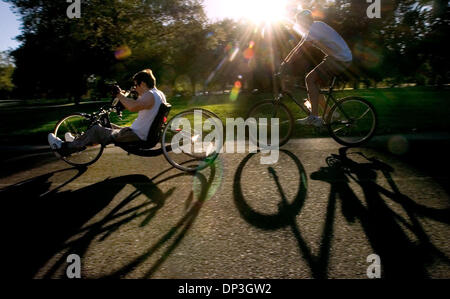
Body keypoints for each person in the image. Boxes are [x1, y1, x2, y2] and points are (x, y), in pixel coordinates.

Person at [48, 69, 168, 157]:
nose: (135, 88)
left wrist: (119, 95)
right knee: (107, 128)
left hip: (136, 136)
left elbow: (132, 107)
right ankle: (76, 143)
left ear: (143, 83)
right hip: (136, 132)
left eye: (136, 85)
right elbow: (137, 104)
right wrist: (123, 97)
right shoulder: (158, 94)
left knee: (96, 129)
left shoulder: (150, 95)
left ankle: (63, 148)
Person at [281, 10, 353, 127]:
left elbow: (301, 50)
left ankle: (314, 117)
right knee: (314, 87)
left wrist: (287, 63)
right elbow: (298, 46)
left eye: (299, 21)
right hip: (336, 57)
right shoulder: (310, 30)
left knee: (310, 79)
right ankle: (331, 114)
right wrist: (285, 61)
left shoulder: (315, 27)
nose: (298, 24)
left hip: (340, 58)